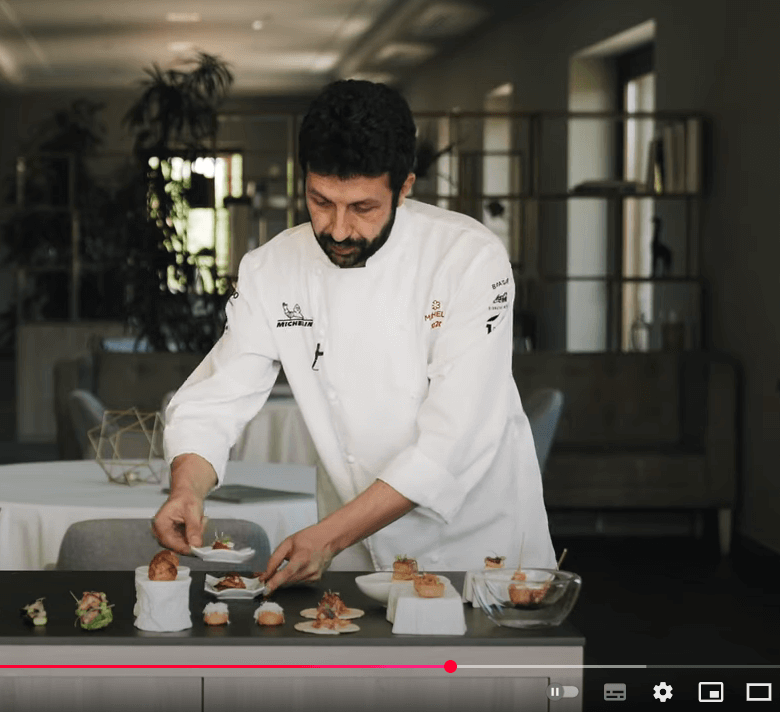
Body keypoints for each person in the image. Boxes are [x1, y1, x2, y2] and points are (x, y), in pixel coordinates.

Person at [152, 79, 556, 593]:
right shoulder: (272, 269)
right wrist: (186, 489)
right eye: (321, 201)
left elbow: (452, 443)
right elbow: (216, 399)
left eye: (362, 208)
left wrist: (328, 536)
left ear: (405, 186)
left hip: (478, 554)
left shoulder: (469, 258)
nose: (338, 230)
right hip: (356, 558)